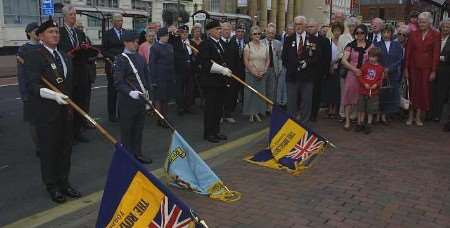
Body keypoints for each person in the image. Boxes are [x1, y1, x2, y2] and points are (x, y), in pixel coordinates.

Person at [23, 19, 81, 203]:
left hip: (65, 113)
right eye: (50, 32)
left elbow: (69, 84)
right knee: (49, 152)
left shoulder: (64, 56)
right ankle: (52, 186)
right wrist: (52, 95)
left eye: (56, 31)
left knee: (65, 150)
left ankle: (64, 183)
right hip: (46, 112)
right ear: (40, 36)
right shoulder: (34, 55)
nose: (55, 34)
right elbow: (32, 85)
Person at [113, 30, 152, 164]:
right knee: (127, 131)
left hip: (141, 100)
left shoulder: (140, 57)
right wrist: (130, 92)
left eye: (137, 42)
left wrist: (148, 94)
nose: (136, 44)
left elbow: (146, 77)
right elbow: (118, 82)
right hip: (127, 102)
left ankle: (138, 153)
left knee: (139, 129)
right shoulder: (120, 60)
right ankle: (128, 157)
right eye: (133, 42)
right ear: (125, 43)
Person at [57, 5, 90, 143]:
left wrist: (86, 49)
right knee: (69, 104)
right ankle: (68, 134)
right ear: (65, 16)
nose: (74, 17)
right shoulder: (59, 32)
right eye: (71, 14)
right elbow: (60, 51)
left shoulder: (79, 33)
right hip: (68, 73)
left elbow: (85, 50)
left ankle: (78, 132)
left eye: (75, 14)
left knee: (81, 102)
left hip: (81, 72)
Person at [282, 16, 324, 125]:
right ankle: (291, 126)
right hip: (292, 77)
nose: (298, 26)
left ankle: (304, 126)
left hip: (307, 77)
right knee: (291, 105)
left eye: (300, 24)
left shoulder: (314, 40)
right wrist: (293, 66)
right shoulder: (288, 39)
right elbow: (284, 58)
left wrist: (307, 63)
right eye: (296, 24)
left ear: (305, 25)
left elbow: (318, 57)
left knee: (306, 104)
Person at [198, 20, 233, 143]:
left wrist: (226, 70)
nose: (220, 31)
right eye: (217, 29)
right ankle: (209, 133)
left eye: (220, 29)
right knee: (210, 109)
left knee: (218, 109)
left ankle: (216, 131)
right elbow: (206, 64)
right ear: (209, 31)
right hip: (210, 83)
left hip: (220, 83)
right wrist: (222, 69)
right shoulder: (205, 44)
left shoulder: (220, 44)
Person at [405, 12, 440, 126]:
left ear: (430, 22)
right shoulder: (413, 34)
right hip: (413, 67)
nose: (421, 23)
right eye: (419, 21)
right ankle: (410, 116)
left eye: (424, 21)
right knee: (412, 91)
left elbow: (436, 54)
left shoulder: (435, 34)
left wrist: (434, 70)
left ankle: (418, 117)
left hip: (426, 68)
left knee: (422, 92)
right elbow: (408, 52)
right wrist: (406, 68)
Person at [341, 24, 372, 130]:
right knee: (348, 96)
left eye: (361, 32)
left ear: (365, 33)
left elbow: (374, 60)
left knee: (361, 98)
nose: (359, 35)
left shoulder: (370, 46)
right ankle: (347, 121)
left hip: (364, 75)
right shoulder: (350, 45)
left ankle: (360, 121)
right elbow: (344, 60)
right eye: (357, 33)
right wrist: (354, 69)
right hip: (352, 74)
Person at [17, 22, 41, 156]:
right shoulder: (23, 50)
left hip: (44, 89)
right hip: (31, 91)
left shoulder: (44, 47)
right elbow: (21, 74)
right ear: (29, 33)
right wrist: (24, 94)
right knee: (34, 121)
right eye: (35, 30)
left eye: (38, 30)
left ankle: (47, 144)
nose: (37, 32)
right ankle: (38, 147)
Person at [375, 24, 404, 124]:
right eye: (384, 32)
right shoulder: (377, 44)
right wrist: (382, 70)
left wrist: (389, 69)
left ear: (392, 33)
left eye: (388, 32)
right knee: (380, 94)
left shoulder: (397, 45)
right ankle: (378, 115)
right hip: (380, 73)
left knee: (389, 94)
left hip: (393, 74)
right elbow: (375, 58)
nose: (386, 34)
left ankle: (384, 115)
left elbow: (400, 59)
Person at [243, 25, 270, 122]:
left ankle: (258, 112)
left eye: (259, 33)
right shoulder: (248, 46)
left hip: (262, 74)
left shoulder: (265, 46)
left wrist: (264, 70)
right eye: (255, 34)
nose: (257, 35)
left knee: (260, 94)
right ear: (251, 35)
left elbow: (268, 60)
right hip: (251, 73)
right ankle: (251, 113)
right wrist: (253, 72)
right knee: (251, 93)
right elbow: (246, 61)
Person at [150, 27, 176, 128]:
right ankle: (160, 119)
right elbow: (151, 64)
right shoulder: (155, 47)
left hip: (168, 76)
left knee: (166, 99)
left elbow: (172, 62)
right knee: (159, 99)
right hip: (159, 76)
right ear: (160, 36)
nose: (167, 37)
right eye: (165, 35)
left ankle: (165, 118)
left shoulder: (170, 46)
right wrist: (153, 80)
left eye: (168, 35)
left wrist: (173, 75)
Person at [356, 48, 384, 134]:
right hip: (363, 91)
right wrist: (364, 83)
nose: (371, 58)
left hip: (373, 93)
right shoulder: (365, 65)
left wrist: (376, 84)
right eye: (370, 56)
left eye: (374, 57)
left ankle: (369, 124)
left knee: (370, 110)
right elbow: (359, 76)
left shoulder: (380, 68)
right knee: (361, 109)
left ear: (377, 58)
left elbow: (381, 79)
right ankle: (360, 123)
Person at [102, 14, 124, 123]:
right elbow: (103, 51)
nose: (121, 22)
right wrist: (113, 57)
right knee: (112, 90)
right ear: (113, 22)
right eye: (119, 20)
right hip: (112, 64)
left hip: (124, 65)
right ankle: (112, 114)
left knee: (123, 90)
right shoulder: (107, 34)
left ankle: (122, 113)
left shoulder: (125, 32)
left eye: (122, 20)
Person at [171, 25, 195, 115]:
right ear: (180, 33)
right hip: (180, 70)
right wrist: (175, 32)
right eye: (183, 33)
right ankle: (180, 107)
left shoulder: (191, 42)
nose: (184, 35)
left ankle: (188, 106)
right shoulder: (176, 42)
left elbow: (194, 54)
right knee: (179, 90)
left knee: (190, 89)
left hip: (190, 70)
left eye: (186, 33)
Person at [310, 21, 332, 122]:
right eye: (308, 26)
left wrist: (325, 73)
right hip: (306, 73)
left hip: (318, 73)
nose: (310, 28)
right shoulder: (304, 39)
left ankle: (313, 114)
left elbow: (327, 58)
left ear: (317, 27)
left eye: (312, 26)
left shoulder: (324, 40)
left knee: (316, 94)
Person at [323, 22, 345, 118]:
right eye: (335, 30)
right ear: (332, 32)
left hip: (339, 67)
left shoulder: (343, 42)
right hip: (330, 67)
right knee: (330, 88)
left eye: (339, 31)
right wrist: (330, 65)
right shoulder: (329, 41)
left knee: (337, 89)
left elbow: (343, 55)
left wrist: (337, 64)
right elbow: (327, 55)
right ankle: (330, 107)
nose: (337, 32)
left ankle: (336, 108)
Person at [221, 22, 240, 123]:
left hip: (232, 75)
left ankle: (228, 114)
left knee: (231, 95)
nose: (226, 31)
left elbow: (237, 60)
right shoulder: (218, 43)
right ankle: (219, 115)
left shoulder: (234, 43)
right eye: (224, 29)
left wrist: (236, 74)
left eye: (228, 29)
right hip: (220, 75)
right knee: (220, 96)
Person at [262, 25, 283, 108]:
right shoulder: (261, 42)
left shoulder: (278, 43)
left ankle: (270, 107)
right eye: (269, 33)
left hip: (273, 69)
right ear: (266, 33)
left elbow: (280, 57)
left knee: (272, 90)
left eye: (272, 33)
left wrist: (279, 69)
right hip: (263, 70)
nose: (271, 35)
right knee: (263, 89)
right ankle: (262, 107)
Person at [435, 19, 450, 131]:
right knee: (435, 91)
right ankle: (434, 114)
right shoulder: (437, 37)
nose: (445, 29)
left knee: (443, 91)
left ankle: (440, 116)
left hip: (446, 69)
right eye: (444, 26)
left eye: (448, 27)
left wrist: (437, 57)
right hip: (435, 68)